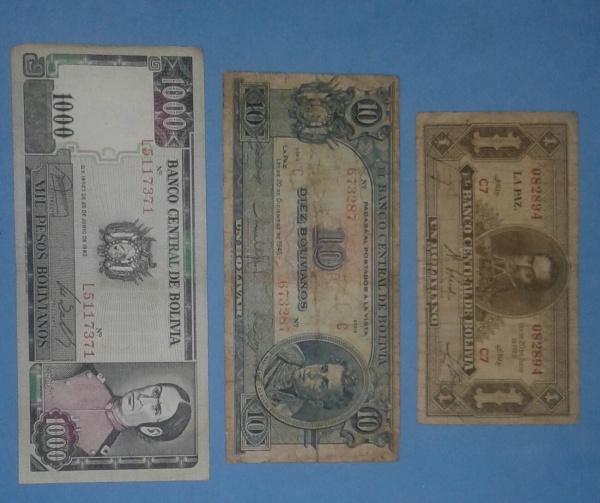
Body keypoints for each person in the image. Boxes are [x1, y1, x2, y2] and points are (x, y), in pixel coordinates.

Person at [42, 364, 191, 457]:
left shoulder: (92, 454)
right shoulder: (84, 371)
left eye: (156, 408)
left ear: (151, 430)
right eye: (155, 392)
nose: (143, 398)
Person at [262, 343, 358, 418]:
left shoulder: (282, 411)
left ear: (316, 402)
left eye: (322, 383)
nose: (312, 373)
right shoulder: (290, 350)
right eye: (323, 368)